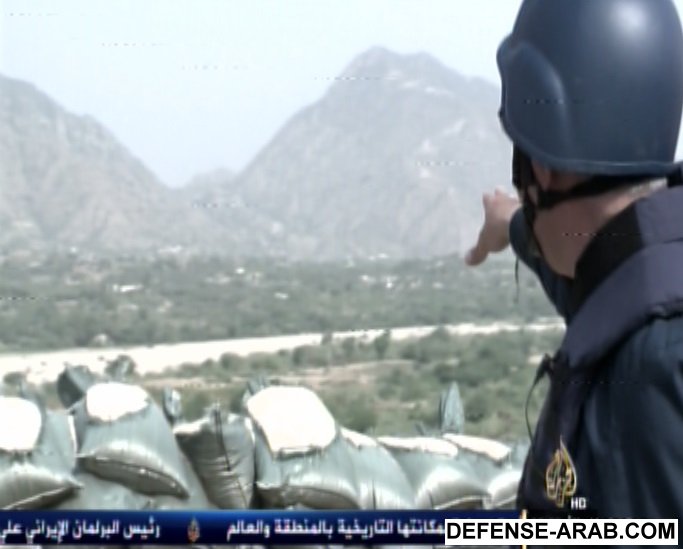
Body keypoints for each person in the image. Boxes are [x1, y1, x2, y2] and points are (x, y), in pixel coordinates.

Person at [466, 0, 683, 518]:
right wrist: (509, 222)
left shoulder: (647, 375)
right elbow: (586, 278)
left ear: (542, 169)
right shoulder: (646, 271)